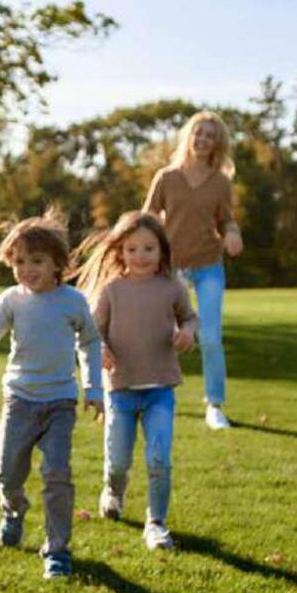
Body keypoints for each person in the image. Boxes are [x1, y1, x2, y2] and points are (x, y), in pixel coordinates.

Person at [0, 211, 102, 581]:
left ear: (58, 262)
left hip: (59, 402)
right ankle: (13, 510)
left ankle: (57, 550)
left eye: (37, 261)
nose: (27, 269)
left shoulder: (73, 302)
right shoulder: (12, 300)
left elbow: (90, 341)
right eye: (20, 262)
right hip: (19, 399)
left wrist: (93, 386)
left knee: (57, 475)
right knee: (8, 472)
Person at [74, 212, 197, 552]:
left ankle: (156, 523)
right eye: (132, 249)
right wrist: (102, 350)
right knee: (117, 463)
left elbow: (189, 317)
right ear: (119, 252)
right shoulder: (112, 290)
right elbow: (92, 332)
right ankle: (113, 491)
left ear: (162, 251)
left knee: (159, 460)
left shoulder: (172, 287)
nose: (140, 256)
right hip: (120, 391)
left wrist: (187, 332)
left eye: (148, 248)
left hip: (159, 390)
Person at [142, 111, 243, 430]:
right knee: (156, 333)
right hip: (170, 268)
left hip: (208, 266)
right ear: (189, 136)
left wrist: (232, 231)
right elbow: (147, 216)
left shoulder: (220, 183)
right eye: (198, 134)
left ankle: (215, 405)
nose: (202, 140)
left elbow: (226, 218)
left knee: (210, 337)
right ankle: (146, 395)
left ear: (217, 144)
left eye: (209, 136)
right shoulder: (167, 177)